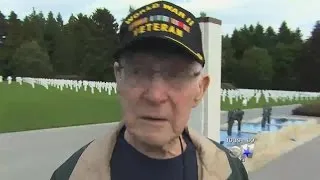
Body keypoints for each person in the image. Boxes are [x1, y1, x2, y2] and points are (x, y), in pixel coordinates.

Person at [50, 1, 249, 180]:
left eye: (176, 74)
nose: (155, 95)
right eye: (138, 71)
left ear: (200, 89)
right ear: (118, 78)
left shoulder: (230, 171)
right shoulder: (70, 175)